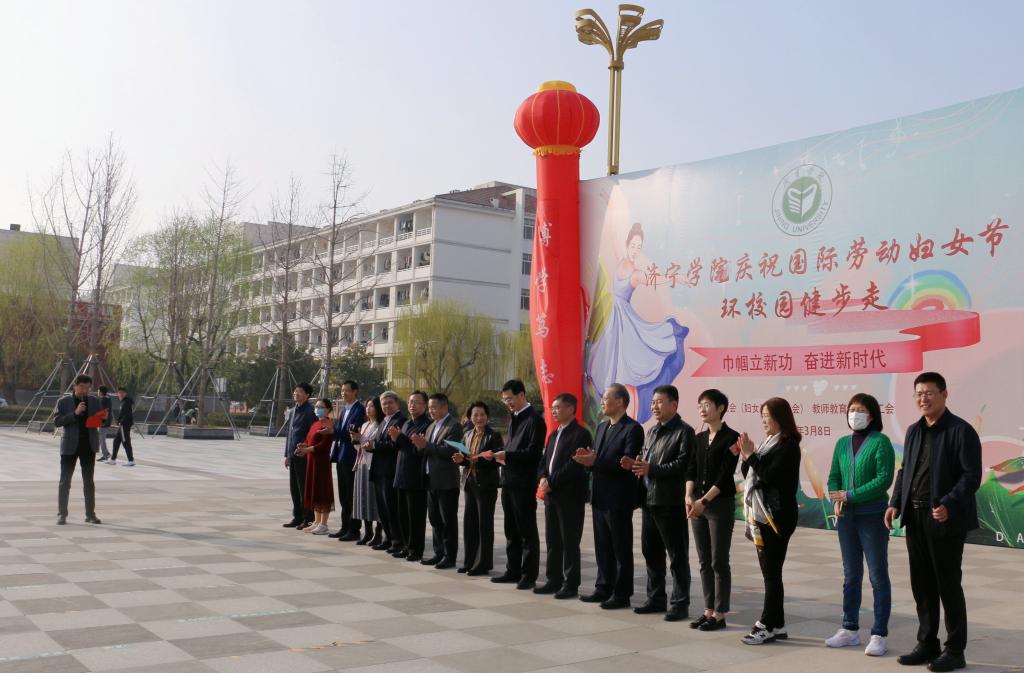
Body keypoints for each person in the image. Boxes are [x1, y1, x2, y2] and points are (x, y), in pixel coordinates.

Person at [885, 373, 981, 672]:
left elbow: (971, 476)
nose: (923, 399)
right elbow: (905, 471)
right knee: (922, 585)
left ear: (944, 394)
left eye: (929, 393)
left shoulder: (960, 431)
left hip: (944, 520)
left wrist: (948, 504)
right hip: (915, 518)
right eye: (918, 393)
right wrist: (895, 502)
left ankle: (955, 650)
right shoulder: (914, 431)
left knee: (948, 585)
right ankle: (927, 643)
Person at [586, 222, 689, 423]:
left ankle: (623, 409)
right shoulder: (621, 262)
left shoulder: (635, 272)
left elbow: (654, 279)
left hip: (624, 320)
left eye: (639, 247)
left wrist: (675, 278)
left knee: (625, 364)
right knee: (609, 362)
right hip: (615, 319)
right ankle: (610, 406)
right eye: (633, 245)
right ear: (626, 245)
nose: (635, 250)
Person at [824, 393, 895, 656]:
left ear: (872, 415)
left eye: (861, 410)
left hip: (872, 516)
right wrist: (836, 498)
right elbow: (834, 476)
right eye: (852, 409)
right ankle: (849, 629)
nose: (855, 414)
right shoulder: (842, 443)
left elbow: (884, 479)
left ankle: (879, 634)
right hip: (847, 518)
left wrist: (850, 495)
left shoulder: (881, 442)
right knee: (851, 575)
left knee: (877, 575)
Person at [625, 384, 695, 622]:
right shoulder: (652, 431)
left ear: (674, 405)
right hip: (649, 500)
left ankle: (680, 604)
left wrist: (651, 469)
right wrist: (637, 465)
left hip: (670, 502)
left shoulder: (684, 432)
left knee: (677, 556)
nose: (654, 406)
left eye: (659, 402)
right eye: (653, 402)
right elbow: (648, 462)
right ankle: (655, 599)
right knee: (651, 552)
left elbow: (682, 465)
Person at [738, 397, 802, 645]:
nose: (764, 420)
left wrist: (751, 456)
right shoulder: (768, 444)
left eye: (767, 415)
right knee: (771, 572)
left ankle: (766, 624)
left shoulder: (788, 446)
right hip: (763, 515)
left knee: (771, 573)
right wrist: (747, 457)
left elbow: (769, 475)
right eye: (762, 415)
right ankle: (778, 624)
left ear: (780, 418)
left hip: (776, 517)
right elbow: (751, 474)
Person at [574, 383, 644, 609]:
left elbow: (626, 464)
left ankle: (622, 594)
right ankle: (603, 587)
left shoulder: (633, 429)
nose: (602, 402)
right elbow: (598, 460)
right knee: (602, 546)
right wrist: (588, 461)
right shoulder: (603, 427)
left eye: (606, 398)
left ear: (620, 402)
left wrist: (595, 461)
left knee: (620, 548)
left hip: (619, 498)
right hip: (599, 496)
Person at [686, 388, 740, 631]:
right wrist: (689, 496)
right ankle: (708, 610)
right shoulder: (698, 438)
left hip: (718, 505)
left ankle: (720, 613)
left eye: (707, 404)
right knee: (704, 560)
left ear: (720, 408)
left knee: (719, 560)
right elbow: (691, 470)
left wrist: (703, 502)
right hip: (696, 504)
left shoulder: (732, 437)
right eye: (700, 405)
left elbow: (725, 475)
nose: (702, 409)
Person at [535, 393, 592, 599]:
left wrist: (551, 481)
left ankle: (571, 584)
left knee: (569, 542)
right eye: (552, 408)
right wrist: (542, 477)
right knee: (553, 541)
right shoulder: (554, 434)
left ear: (570, 409)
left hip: (570, 496)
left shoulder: (581, 434)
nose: (554, 411)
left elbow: (574, 464)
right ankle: (553, 579)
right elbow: (544, 461)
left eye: (557, 407)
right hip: (552, 496)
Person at [491, 379, 546, 590]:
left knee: (526, 530)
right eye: (505, 400)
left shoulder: (534, 420)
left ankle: (528, 575)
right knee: (510, 529)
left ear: (522, 395)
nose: (508, 403)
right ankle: (512, 570)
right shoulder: (514, 418)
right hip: (508, 480)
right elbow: (512, 448)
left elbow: (533, 454)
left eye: (510, 399)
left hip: (523, 483)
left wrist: (508, 455)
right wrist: (502, 455)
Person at [413, 392, 463, 569]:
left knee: (448, 520)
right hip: (431, 479)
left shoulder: (454, 426)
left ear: (444, 407)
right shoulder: (431, 426)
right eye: (430, 407)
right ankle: (438, 552)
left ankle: (450, 556)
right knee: (434, 519)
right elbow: (426, 450)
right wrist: (419, 445)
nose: (431, 411)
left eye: (434, 407)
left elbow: (450, 451)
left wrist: (425, 445)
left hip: (446, 481)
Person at [453, 400, 501, 575]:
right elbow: (466, 459)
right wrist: (462, 460)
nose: (479, 418)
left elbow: (497, 461)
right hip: (469, 483)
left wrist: (477, 459)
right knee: (469, 524)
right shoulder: (467, 434)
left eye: (482, 414)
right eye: (475, 415)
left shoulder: (493, 436)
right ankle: (469, 561)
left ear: (487, 416)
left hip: (486, 485)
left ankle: (483, 563)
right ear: (470, 417)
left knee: (484, 525)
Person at [53, 374, 102, 525]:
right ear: (74, 386)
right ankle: (62, 514)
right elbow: (57, 421)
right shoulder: (63, 401)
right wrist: (74, 414)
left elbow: (102, 419)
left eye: (88, 388)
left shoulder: (94, 401)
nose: (85, 390)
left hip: (88, 445)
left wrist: (103, 419)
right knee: (65, 481)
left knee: (89, 482)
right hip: (70, 446)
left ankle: (90, 514)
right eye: (82, 387)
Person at [390, 391, 430, 561]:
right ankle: (406, 546)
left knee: (415, 516)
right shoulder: (406, 423)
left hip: (415, 477)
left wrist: (399, 438)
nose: (412, 405)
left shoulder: (426, 425)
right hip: (401, 474)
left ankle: (416, 550)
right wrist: (395, 439)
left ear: (425, 405)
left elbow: (417, 450)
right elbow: (401, 447)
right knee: (403, 515)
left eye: (417, 402)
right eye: (410, 402)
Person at [364, 390, 405, 551]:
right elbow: (379, 443)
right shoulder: (384, 421)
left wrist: (375, 445)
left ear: (397, 404)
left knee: (391, 508)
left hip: (390, 470)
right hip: (378, 470)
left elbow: (395, 445)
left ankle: (397, 541)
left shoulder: (400, 420)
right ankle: (388, 539)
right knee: (382, 508)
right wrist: (371, 446)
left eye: (390, 403)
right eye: (384, 403)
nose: (387, 406)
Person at [329, 380, 365, 541]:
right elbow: (339, 431)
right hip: (341, 456)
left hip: (351, 456)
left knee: (351, 495)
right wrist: (333, 429)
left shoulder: (359, 409)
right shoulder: (344, 410)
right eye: (342, 390)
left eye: (347, 391)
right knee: (343, 495)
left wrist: (333, 430)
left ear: (355, 392)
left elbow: (352, 431)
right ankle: (345, 527)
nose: (344, 393)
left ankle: (354, 529)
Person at [296, 398, 336, 535]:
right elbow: (309, 440)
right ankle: (317, 521)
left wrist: (307, 450)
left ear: (328, 409)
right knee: (314, 490)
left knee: (322, 491)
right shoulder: (315, 424)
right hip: (311, 461)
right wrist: (303, 445)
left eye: (321, 407)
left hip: (322, 463)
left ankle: (324, 524)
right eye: (316, 406)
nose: (318, 409)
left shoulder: (329, 424)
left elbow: (324, 446)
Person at [283, 383, 317, 530]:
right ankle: (297, 516)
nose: (296, 393)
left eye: (300, 392)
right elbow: (289, 435)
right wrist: (287, 455)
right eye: (295, 391)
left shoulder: (310, 411)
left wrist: (306, 448)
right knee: (294, 488)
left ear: (307, 395)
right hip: (293, 455)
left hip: (304, 455)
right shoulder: (293, 411)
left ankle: (308, 518)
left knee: (304, 487)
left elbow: (312, 434)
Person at [353, 396, 383, 546]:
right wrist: (355, 439)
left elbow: (374, 445)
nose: (368, 409)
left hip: (373, 465)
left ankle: (378, 532)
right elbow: (359, 448)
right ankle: (367, 531)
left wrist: (363, 441)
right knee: (363, 497)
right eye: (367, 406)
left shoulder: (381, 425)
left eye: (371, 406)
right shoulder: (365, 425)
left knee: (375, 500)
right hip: (361, 464)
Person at [109, 387, 136, 466]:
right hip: (123, 425)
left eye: (122, 393)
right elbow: (123, 413)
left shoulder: (126, 402)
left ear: (125, 394)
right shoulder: (124, 401)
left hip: (124, 425)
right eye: (119, 393)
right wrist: (118, 421)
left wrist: (118, 421)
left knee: (126, 442)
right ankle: (113, 459)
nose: (120, 394)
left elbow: (124, 414)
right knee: (116, 441)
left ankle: (131, 460)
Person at [96, 386, 113, 461]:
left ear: (101, 392)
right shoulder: (107, 399)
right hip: (106, 421)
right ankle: (105, 454)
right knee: (101, 439)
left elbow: (105, 412)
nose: (97, 392)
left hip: (104, 422)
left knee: (102, 439)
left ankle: (106, 454)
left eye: (98, 390)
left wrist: (102, 422)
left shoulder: (104, 400)